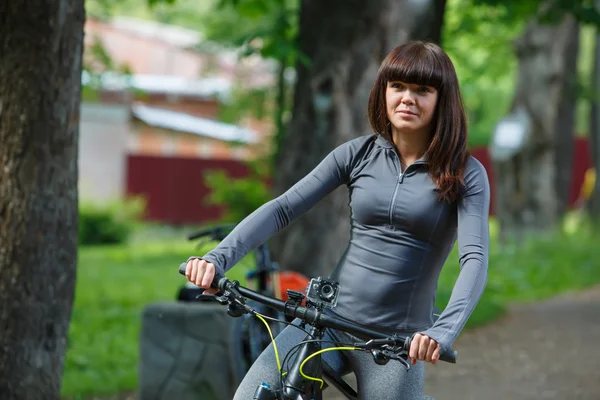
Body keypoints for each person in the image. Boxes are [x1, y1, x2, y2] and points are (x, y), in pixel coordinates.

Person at [184, 40, 490, 399]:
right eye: (398, 87)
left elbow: (474, 259)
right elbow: (283, 208)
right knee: (251, 396)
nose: (408, 98)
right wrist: (216, 259)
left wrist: (442, 332)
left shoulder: (465, 174)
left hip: (395, 341)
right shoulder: (357, 154)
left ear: (442, 100)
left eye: (422, 90)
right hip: (326, 321)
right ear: (384, 92)